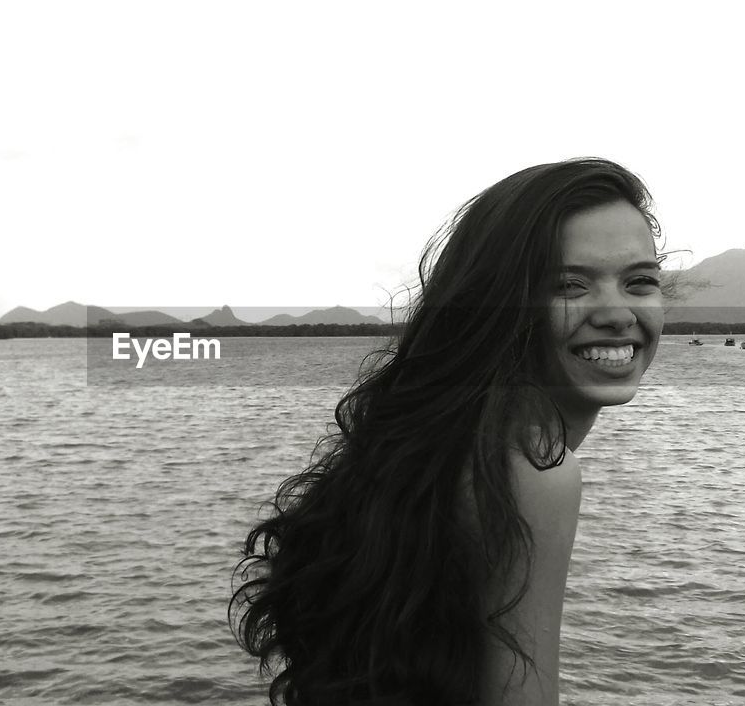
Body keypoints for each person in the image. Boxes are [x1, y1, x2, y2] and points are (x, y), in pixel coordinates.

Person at [231, 157, 666, 706]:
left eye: (640, 282)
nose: (617, 312)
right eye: (570, 285)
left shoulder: (431, 446)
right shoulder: (531, 469)